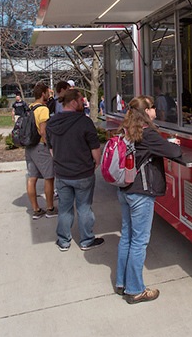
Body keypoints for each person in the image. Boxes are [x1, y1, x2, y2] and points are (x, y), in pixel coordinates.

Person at [114, 96, 181, 304]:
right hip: (140, 193)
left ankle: (122, 283)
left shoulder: (125, 130)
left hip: (124, 189)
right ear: (146, 112)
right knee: (139, 242)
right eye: (152, 108)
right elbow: (174, 151)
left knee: (127, 236)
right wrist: (174, 143)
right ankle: (135, 290)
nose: (155, 110)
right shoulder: (148, 132)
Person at [46, 89, 103, 252]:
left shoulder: (52, 123)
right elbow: (95, 148)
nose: (83, 102)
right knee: (84, 207)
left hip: (62, 174)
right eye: (81, 100)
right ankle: (86, 240)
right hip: (83, 172)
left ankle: (63, 241)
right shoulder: (84, 122)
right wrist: (96, 163)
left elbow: (51, 149)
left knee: (65, 207)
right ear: (73, 102)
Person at [25, 83, 56, 219]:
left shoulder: (30, 107)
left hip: (29, 146)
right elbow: (43, 131)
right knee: (49, 177)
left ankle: (36, 210)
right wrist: (50, 146)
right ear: (43, 93)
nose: (49, 95)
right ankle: (50, 208)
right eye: (47, 92)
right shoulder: (43, 109)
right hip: (40, 146)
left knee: (32, 178)